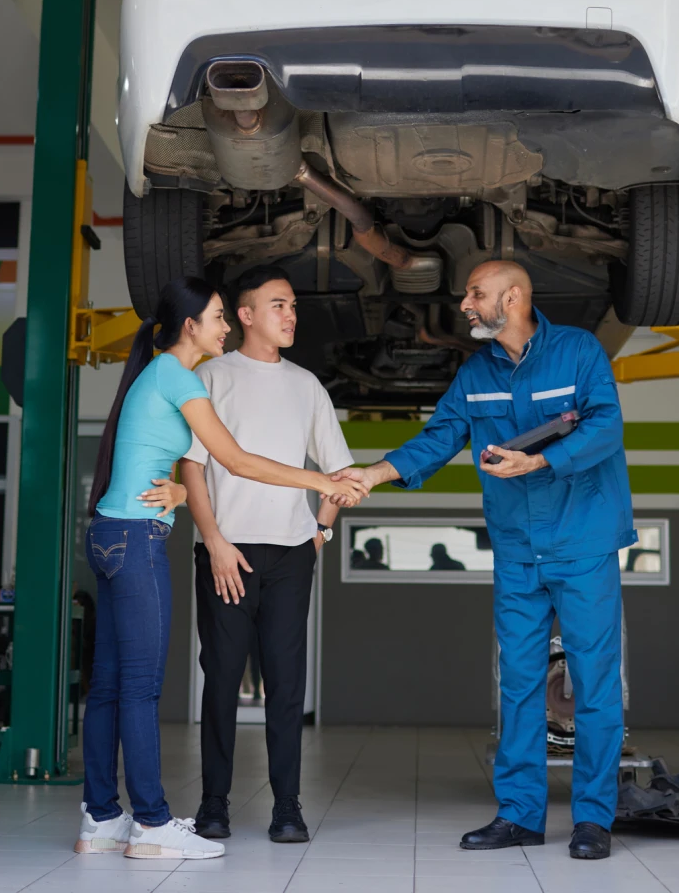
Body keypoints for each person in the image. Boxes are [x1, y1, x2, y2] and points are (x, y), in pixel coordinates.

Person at [334, 261, 633, 861]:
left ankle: (593, 820)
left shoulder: (577, 352)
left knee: (595, 686)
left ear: (514, 296)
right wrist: (374, 472)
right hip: (519, 552)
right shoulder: (475, 374)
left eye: (477, 293)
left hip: (582, 544)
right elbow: (439, 437)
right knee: (520, 686)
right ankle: (520, 815)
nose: (466, 303)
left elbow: (606, 426)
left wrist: (542, 461)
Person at [76, 276, 366, 861]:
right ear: (197, 324)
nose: (224, 329)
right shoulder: (187, 376)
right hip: (147, 542)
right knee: (139, 688)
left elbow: (173, 464)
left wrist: (319, 527)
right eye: (218, 318)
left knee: (109, 686)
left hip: (116, 531)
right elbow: (225, 459)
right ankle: (156, 823)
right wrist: (316, 482)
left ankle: (101, 817)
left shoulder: (163, 373)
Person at [178, 266, 357, 845]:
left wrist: (320, 533)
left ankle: (287, 808)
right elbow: (192, 466)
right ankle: (214, 805)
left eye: (294, 306)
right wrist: (214, 542)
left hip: (290, 555)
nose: (291, 315)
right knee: (223, 678)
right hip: (225, 554)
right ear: (246, 314)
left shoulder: (307, 385)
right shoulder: (212, 376)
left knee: (285, 685)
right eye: (278, 305)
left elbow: (339, 471)